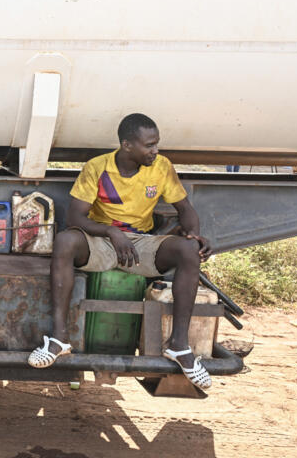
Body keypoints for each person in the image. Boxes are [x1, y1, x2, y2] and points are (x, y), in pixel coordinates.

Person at [28, 113, 213, 389]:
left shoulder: (161, 167)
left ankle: (179, 346)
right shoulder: (97, 167)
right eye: (149, 145)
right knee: (65, 241)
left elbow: (185, 210)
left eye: (156, 144)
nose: (155, 150)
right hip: (101, 241)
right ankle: (59, 340)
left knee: (188, 250)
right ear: (127, 145)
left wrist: (194, 235)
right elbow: (75, 219)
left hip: (142, 245)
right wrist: (112, 232)